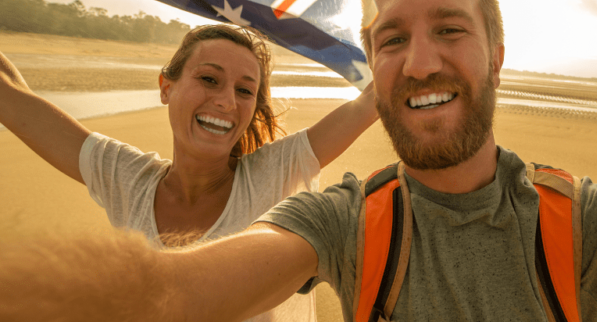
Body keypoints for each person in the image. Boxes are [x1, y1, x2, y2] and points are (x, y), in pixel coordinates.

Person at [1, 0, 597, 322]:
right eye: (390, 40)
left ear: (497, 57)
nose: (419, 63)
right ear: (376, 73)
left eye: (450, 29)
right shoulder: (340, 221)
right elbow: (163, 289)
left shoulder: (591, 218)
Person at [0, 24, 378, 322]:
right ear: (167, 87)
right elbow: (12, 97)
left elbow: (369, 102)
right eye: (209, 79)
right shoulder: (128, 178)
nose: (227, 101)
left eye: (245, 91)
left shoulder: (275, 172)